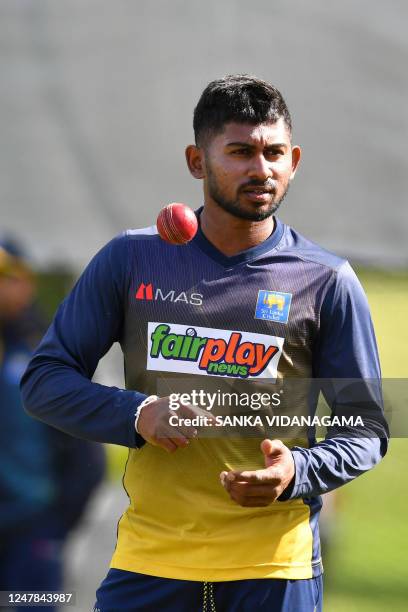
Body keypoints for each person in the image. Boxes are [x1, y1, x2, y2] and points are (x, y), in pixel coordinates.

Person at [21, 75, 388, 612]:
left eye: (274, 152)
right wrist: (138, 413)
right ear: (197, 161)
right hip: (150, 561)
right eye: (240, 152)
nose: (261, 169)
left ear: (295, 160)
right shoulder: (131, 260)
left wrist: (297, 473)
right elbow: (44, 381)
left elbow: (368, 425)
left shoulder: (326, 280)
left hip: (275, 569)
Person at [0, 238, 105, 611]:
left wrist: (55, 528)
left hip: (33, 533)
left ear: (25, 283)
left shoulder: (48, 351)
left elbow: (86, 453)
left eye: (4, 276)